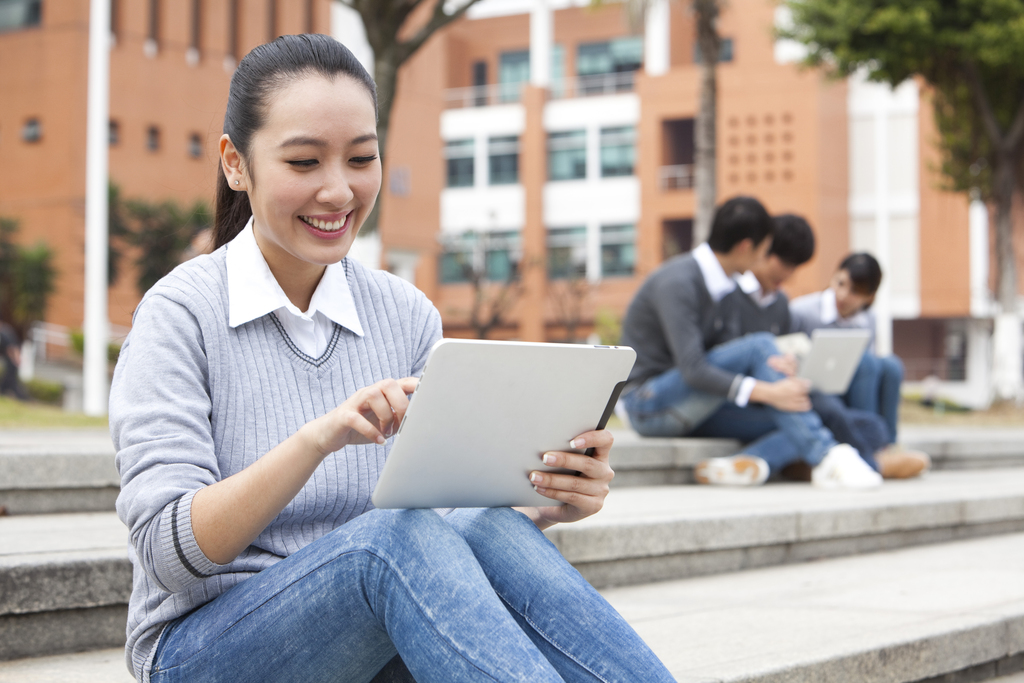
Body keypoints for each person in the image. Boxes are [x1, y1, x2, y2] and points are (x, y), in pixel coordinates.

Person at [110, 35, 676, 683]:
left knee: (485, 527)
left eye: (361, 159)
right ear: (236, 164)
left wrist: (550, 499)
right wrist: (316, 440)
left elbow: (439, 522)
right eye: (303, 162)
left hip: (374, 628)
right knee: (389, 540)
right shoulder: (179, 312)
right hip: (209, 645)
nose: (338, 191)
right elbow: (167, 557)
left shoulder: (404, 313)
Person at [619, 196, 881, 489]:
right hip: (649, 405)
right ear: (746, 246)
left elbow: (730, 353)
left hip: (696, 403)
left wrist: (778, 366)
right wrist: (768, 391)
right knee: (760, 346)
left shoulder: (724, 285)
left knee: (805, 416)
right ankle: (825, 457)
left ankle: (746, 462)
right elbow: (693, 367)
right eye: (765, 249)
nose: (765, 259)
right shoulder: (678, 281)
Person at [716, 215, 928, 480]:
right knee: (826, 412)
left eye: (795, 267)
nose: (787, 275)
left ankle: (786, 463)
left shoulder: (779, 302)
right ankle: (872, 464)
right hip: (757, 397)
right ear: (759, 251)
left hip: (791, 394)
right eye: (784, 263)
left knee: (871, 424)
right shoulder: (731, 297)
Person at [790, 253, 905, 445]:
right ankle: (865, 442)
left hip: (854, 385)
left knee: (892, 366)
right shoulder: (803, 311)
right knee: (866, 362)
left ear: (869, 297)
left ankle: (889, 443)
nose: (843, 295)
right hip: (816, 389)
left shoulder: (868, 320)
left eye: (855, 291)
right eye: (840, 283)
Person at [0, 322, 28, 400]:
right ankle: (3, 391)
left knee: (11, 380)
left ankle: (23, 398)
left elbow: (12, 347)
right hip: (10, 360)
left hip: (12, 360)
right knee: (8, 378)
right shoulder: (5, 331)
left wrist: (16, 359)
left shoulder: (4, 332)